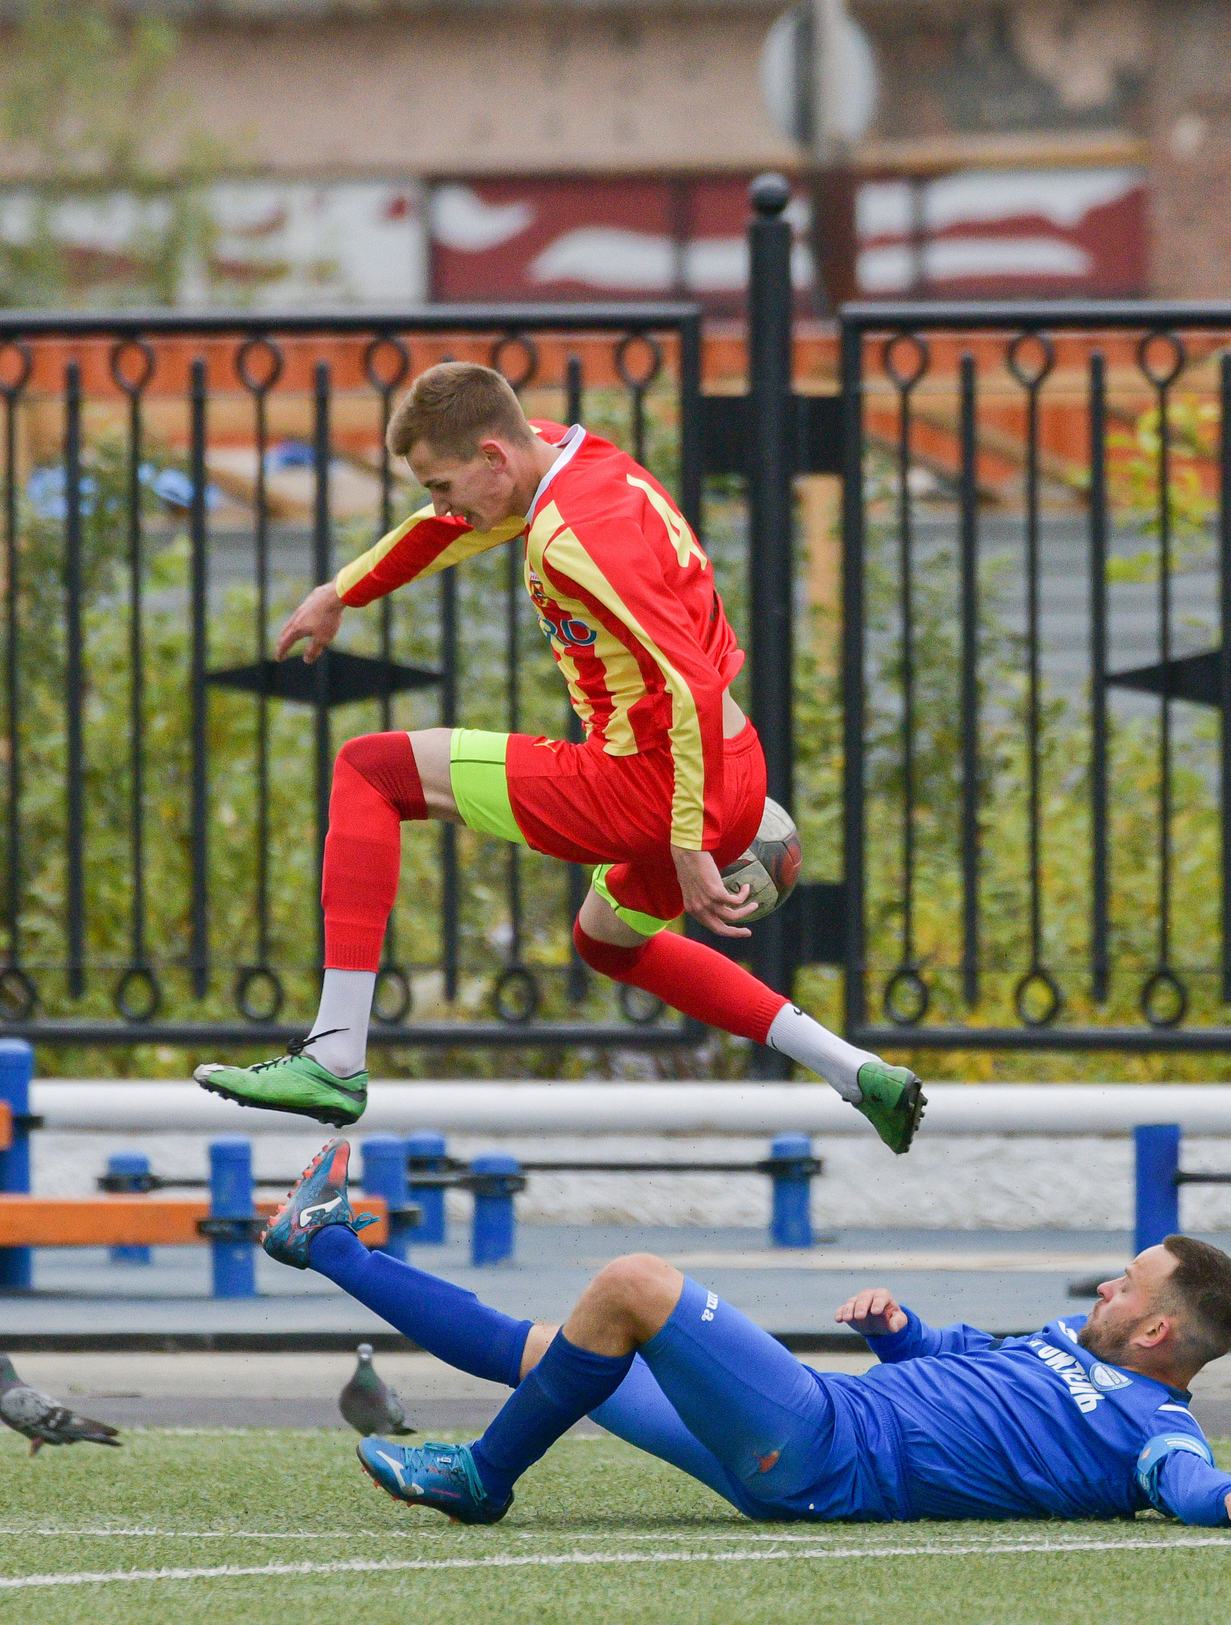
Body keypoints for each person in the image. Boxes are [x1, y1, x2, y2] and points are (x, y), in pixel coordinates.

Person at [192, 361, 926, 1153]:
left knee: (371, 771)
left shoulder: (574, 536)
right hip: (736, 766)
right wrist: (345, 590)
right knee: (605, 939)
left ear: (493, 457)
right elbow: (445, 528)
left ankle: (333, 1056)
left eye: (443, 483)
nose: (441, 506)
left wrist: (685, 841)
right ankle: (853, 1070)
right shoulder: (570, 460)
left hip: (647, 786)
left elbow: (689, 685)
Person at [262, 1138, 1231, 1531]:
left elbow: (1180, 1474)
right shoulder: (1059, 1343)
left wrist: (1223, 1497)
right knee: (554, 1349)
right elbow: (965, 1366)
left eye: (1123, 1283)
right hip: (809, 1434)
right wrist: (902, 1332)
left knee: (634, 1281)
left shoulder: (1155, 1430)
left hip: (823, 1449)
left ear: (1156, 1333)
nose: (1101, 1283)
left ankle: (483, 1479)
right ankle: (326, 1246)